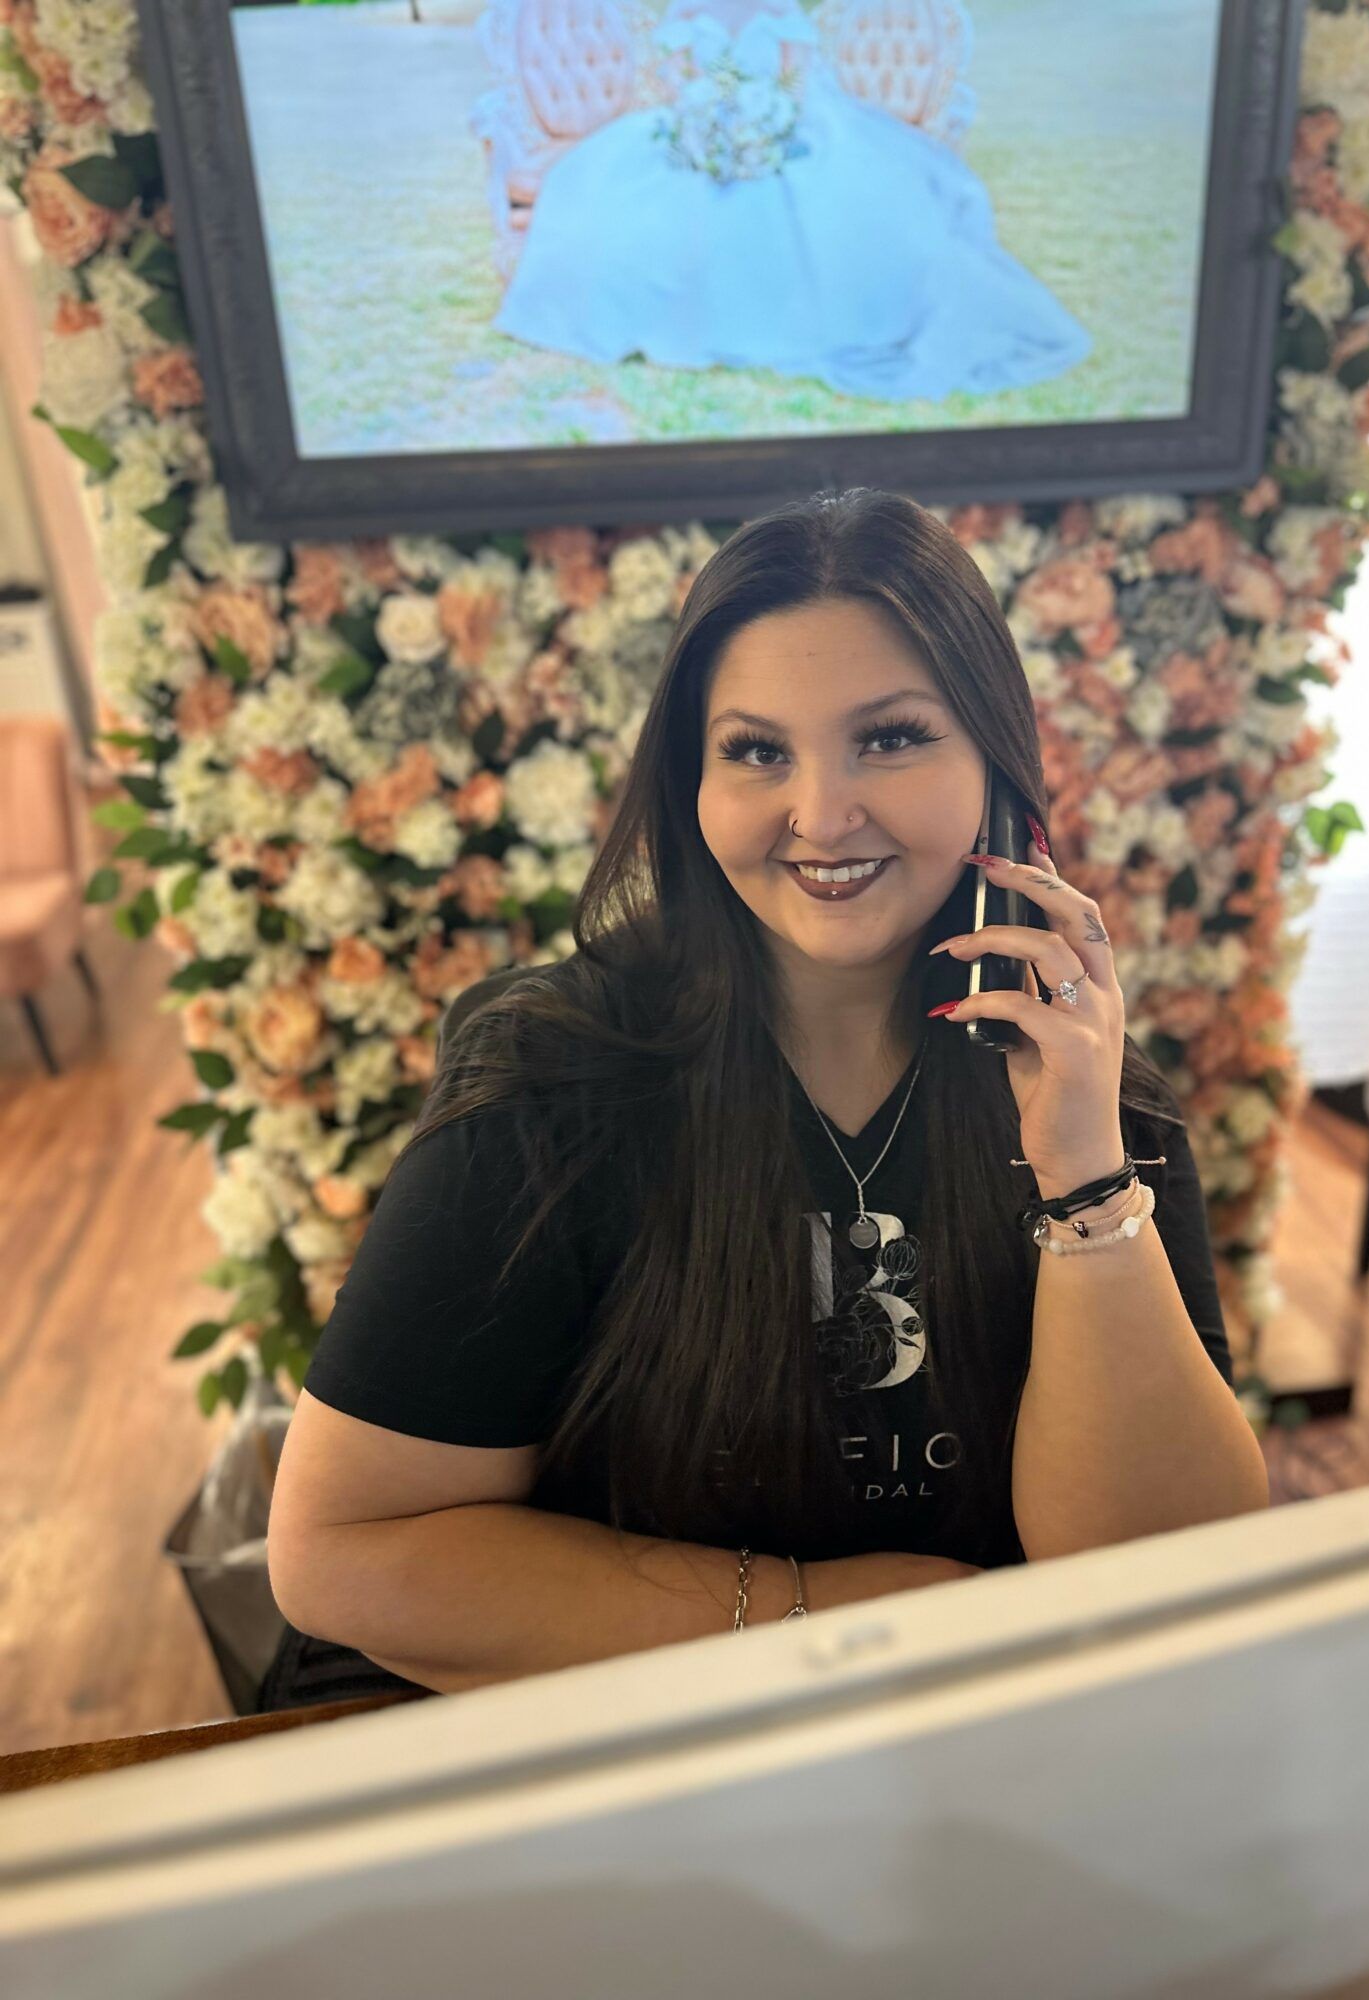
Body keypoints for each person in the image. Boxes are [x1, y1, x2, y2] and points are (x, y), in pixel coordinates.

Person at [264, 486, 1267, 1706]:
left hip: (955, 1755)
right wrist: (818, 1620)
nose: (822, 813)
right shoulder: (548, 1080)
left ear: (998, 769)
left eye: (891, 737)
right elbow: (339, 1554)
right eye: (756, 751)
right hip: (621, 1751)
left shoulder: (1092, 1095)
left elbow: (1160, 1574)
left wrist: (1085, 1176)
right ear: (691, 784)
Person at [486, 0, 1093, 401]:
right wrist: (699, 109)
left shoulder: (778, 14)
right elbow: (671, 76)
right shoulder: (687, 12)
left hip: (779, 124)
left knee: (825, 199)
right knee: (625, 192)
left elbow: (799, 78)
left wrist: (770, 113)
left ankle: (816, 311)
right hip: (702, 124)